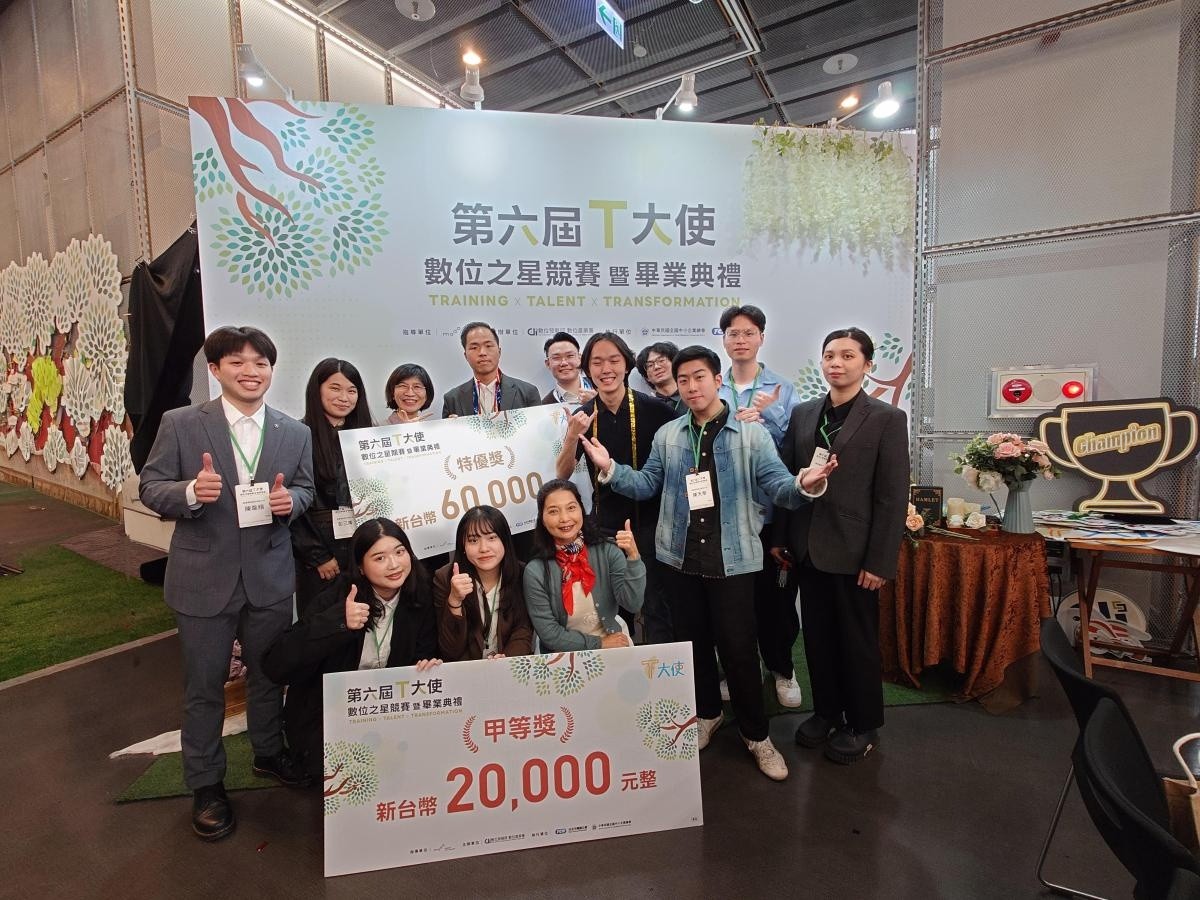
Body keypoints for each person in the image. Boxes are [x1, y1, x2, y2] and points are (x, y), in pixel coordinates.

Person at [578, 345, 835, 782]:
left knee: (738, 649)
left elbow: (778, 486)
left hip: (732, 560)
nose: (691, 386)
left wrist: (804, 484)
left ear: (717, 380)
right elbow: (647, 484)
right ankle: (708, 714)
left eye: (699, 377)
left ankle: (757, 735)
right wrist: (611, 469)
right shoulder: (669, 435)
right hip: (679, 558)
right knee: (693, 644)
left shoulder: (750, 436)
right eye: (683, 380)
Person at [139, 325, 315, 841]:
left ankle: (268, 752)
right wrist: (191, 491)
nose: (250, 371)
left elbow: (305, 488)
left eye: (260, 362)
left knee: (268, 675)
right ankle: (206, 783)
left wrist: (290, 502)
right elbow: (151, 487)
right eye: (237, 362)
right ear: (215, 370)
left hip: (269, 578)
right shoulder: (180, 424)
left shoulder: (294, 431)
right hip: (202, 579)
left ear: (271, 371)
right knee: (204, 686)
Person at [772, 328, 908, 765]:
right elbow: (787, 478)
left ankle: (863, 723)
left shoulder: (887, 418)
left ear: (868, 365)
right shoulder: (804, 414)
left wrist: (879, 561)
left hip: (855, 553)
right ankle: (827, 712)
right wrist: (781, 537)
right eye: (830, 355)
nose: (837, 363)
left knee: (857, 642)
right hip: (807, 548)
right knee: (817, 638)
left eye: (848, 356)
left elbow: (892, 496)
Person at [262, 518, 440, 779]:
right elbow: (275, 665)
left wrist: (426, 666)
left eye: (400, 552)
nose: (394, 564)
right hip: (334, 715)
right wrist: (337, 622)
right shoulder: (338, 597)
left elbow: (423, 653)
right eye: (379, 558)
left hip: (390, 710)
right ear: (360, 567)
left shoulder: (419, 594)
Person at [555, 332, 677, 644]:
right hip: (605, 528)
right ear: (587, 369)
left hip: (654, 526)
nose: (606, 369)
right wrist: (572, 436)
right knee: (611, 613)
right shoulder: (582, 416)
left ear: (627, 365)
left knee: (657, 607)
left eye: (613, 360)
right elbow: (562, 473)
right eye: (597, 362)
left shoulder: (658, 411)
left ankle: (660, 668)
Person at [716, 304, 804, 710]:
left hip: (770, 514)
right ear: (724, 340)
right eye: (733, 333)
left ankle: (782, 668)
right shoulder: (714, 386)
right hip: (726, 514)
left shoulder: (782, 389)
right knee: (732, 604)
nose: (741, 340)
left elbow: (796, 448)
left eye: (748, 333)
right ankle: (736, 670)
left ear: (762, 338)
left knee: (776, 601)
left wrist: (766, 421)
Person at [291, 358, 373, 618]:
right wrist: (317, 556)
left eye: (352, 390)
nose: (344, 398)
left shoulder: (369, 436)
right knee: (321, 621)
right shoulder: (297, 434)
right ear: (317, 390)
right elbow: (295, 504)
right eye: (335, 388)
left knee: (365, 617)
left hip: (363, 545)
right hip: (320, 550)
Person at [523, 479, 645, 652]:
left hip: (613, 639)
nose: (564, 518)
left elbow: (633, 604)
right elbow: (550, 635)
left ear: (581, 509)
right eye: (553, 511)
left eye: (571, 508)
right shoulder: (535, 571)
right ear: (542, 519)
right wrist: (600, 644)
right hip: (562, 652)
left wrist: (633, 557)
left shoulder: (607, 551)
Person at [433, 505, 533, 660]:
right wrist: (454, 600)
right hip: (467, 669)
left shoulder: (522, 573)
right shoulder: (445, 578)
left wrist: (507, 660)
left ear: (504, 541)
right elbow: (450, 650)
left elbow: (522, 630)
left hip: (508, 665)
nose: (484, 548)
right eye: (473, 540)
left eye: (491, 538)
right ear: (463, 546)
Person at [442, 322, 541, 417]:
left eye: (488, 346)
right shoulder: (452, 399)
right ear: (465, 356)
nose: (482, 352)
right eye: (474, 347)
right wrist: (451, 426)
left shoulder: (527, 392)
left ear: (499, 351)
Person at [541, 331, 595, 406]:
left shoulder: (600, 387)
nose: (564, 363)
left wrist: (598, 403)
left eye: (570, 356)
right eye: (556, 358)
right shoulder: (545, 406)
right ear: (548, 364)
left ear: (580, 359)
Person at [635, 341, 683, 413]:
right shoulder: (646, 408)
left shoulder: (692, 398)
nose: (656, 367)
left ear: (675, 365)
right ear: (647, 377)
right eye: (650, 365)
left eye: (661, 361)